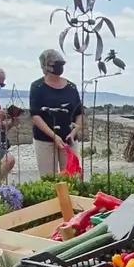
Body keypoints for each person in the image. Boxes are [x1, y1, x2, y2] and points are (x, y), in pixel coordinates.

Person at [30, 49, 83, 177]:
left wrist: (74, 132)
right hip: (45, 139)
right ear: (46, 66)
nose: (60, 68)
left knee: (72, 176)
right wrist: (54, 136)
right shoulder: (37, 87)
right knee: (49, 178)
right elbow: (36, 115)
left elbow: (79, 113)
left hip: (69, 139)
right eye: (56, 65)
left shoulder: (71, 87)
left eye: (61, 65)